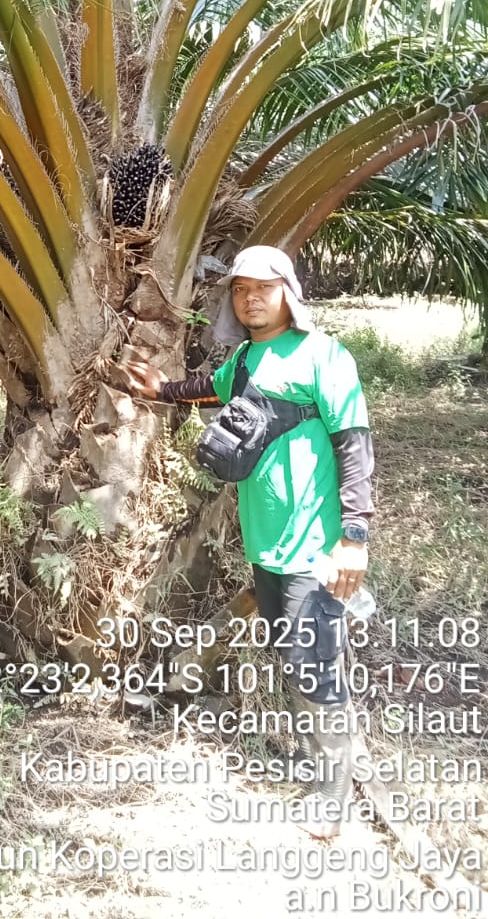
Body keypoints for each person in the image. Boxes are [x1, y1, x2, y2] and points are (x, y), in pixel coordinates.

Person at [121, 245, 374, 839]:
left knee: (312, 667)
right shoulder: (243, 359)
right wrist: (160, 389)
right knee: (296, 658)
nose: (251, 297)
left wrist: (354, 539)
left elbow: (355, 445)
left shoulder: (323, 356)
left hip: (316, 544)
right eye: (240, 290)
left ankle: (331, 793)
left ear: (288, 290)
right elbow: (207, 389)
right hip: (267, 543)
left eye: (263, 286)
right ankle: (332, 764)